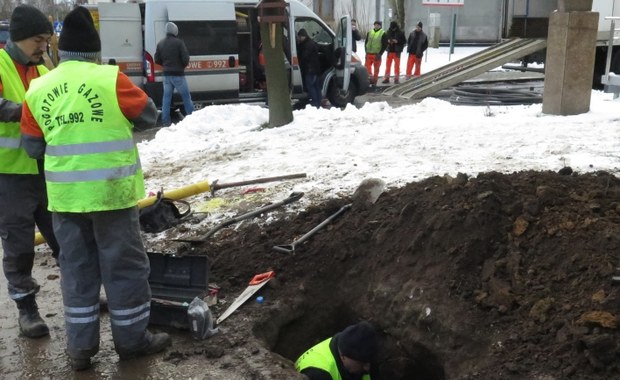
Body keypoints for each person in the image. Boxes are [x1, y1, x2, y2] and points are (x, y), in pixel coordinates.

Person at [20, 6, 170, 371]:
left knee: (77, 270)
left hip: (66, 201)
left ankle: (80, 349)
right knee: (124, 267)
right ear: (93, 50)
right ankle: (132, 341)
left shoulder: (38, 88)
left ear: (63, 50)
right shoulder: (109, 79)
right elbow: (149, 116)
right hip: (112, 196)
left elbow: (32, 147)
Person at [0, 4, 60, 339]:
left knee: (66, 238)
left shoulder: (40, 69)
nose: (43, 46)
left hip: (45, 170)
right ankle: (27, 311)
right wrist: (28, 112)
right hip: (9, 176)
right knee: (19, 247)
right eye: (38, 40)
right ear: (20, 37)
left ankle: (82, 295)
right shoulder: (0, 63)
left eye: (46, 40)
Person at [295, 321, 379, 380]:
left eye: (368, 362)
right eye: (362, 363)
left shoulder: (363, 356)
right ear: (343, 357)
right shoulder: (318, 374)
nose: (367, 368)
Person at [154, 21, 193, 127]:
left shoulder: (160, 43)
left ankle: (166, 121)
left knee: (166, 98)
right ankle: (192, 118)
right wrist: (181, 66)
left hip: (166, 75)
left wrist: (166, 65)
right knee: (186, 97)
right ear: (175, 31)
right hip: (178, 75)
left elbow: (156, 59)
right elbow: (185, 58)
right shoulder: (179, 43)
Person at [297, 28, 322, 108]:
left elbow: (304, 56)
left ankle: (315, 103)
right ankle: (318, 103)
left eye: (300, 37)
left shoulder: (308, 45)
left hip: (310, 70)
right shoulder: (309, 43)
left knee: (311, 87)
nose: (299, 39)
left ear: (304, 36)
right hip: (315, 69)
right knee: (316, 87)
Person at [364, 21, 387, 85]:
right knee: (367, 68)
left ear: (380, 26)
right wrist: (366, 51)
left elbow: (385, 45)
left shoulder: (383, 33)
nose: (376, 26)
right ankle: (370, 79)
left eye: (378, 25)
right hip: (369, 53)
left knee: (376, 69)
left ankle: (375, 81)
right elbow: (366, 42)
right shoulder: (370, 32)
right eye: (375, 25)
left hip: (377, 54)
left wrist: (380, 53)